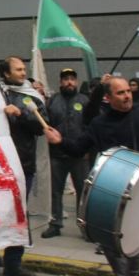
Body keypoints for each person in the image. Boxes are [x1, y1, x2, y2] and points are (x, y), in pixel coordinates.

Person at [45, 75, 139, 276]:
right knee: (108, 239)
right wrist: (59, 141)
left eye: (128, 92)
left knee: (136, 242)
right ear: (109, 97)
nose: (127, 96)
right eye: (120, 93)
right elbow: (79, 148)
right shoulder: (99, 124)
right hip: (112, 187)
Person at [0, 56, 44, 276]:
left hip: (23, 164)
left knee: (18, 214)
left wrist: (22, 113)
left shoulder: (32, 97)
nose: (22, 72)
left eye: (23, 69)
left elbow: (41, 126)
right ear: (6, 74)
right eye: (18, 69)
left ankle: (13, 262)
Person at [41, 67, 89, 239]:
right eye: (66, 79)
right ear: (60, 82)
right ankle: (55, 224)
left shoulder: (84, 100)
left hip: (79, 155)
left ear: (76, 81)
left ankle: (84, 226)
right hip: (57, 155)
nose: (69, 82)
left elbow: (90, 126)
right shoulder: (52, 101)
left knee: (83, 192)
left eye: (72, 79)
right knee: (55, 191)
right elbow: (45, 123)